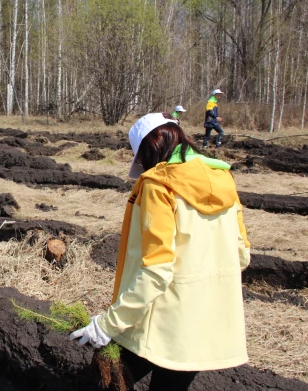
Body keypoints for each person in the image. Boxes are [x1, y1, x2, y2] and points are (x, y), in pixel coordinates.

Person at [70, 113, 250, 391]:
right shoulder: (223, 177)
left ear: (148, 149)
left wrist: (108, 324)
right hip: (202, 330)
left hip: (162, 326)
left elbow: (156, 270)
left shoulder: (159, 186)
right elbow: (241, 255)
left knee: (104, 381)